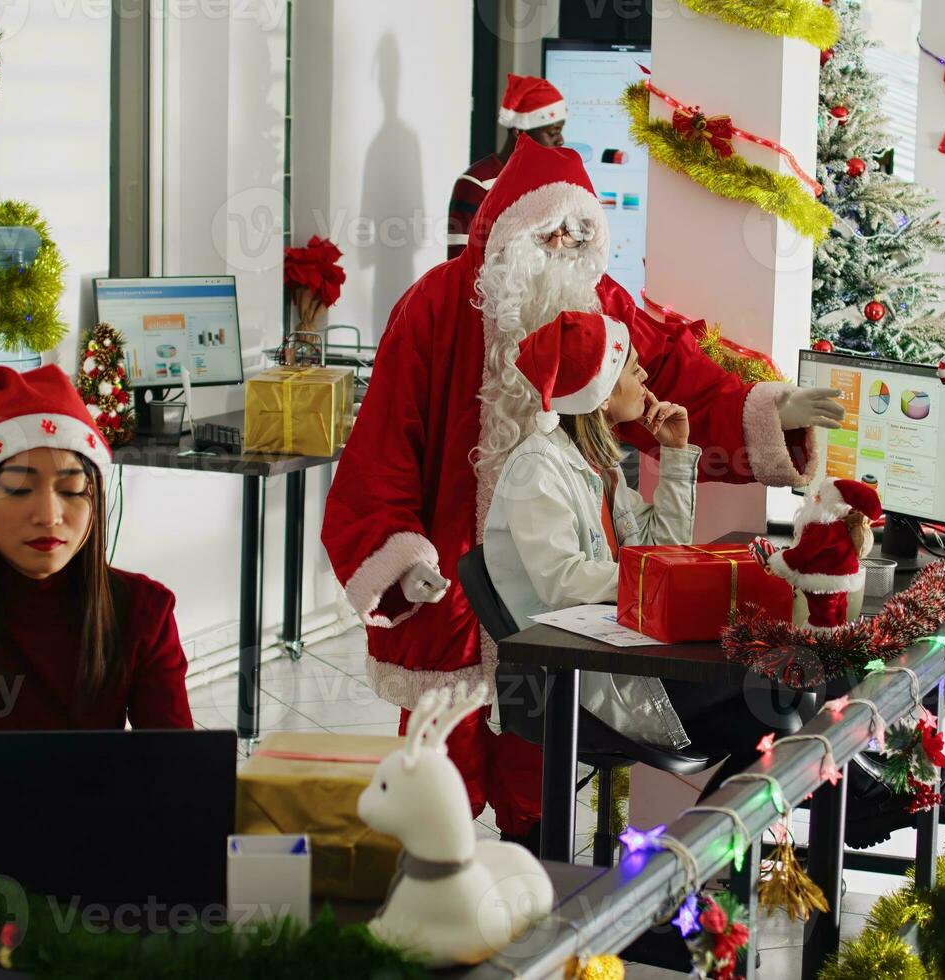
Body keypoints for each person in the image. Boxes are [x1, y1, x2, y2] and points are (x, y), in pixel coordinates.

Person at [322, 134, 844, 848]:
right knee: (440, 776)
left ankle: (541, 888)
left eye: (580, 231)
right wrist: (398, 554)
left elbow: (673, 375)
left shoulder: (599, 310)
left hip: (565, 602)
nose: (563, 244)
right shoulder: (435, 307)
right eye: (549, 229)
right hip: (450, 587)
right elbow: (383, 445)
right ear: (508, 228)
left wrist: (768, 413)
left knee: (543, 767)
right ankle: (434, 900)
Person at [0, 365, 192, 831]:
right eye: (20, 489)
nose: (49, 515)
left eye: (71, 490)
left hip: (92, 852)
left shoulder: (144, 608)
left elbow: (179, 776)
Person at [485, 310, 785, 761]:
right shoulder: (536, 469)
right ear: (602, 395)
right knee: (770, 696)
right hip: (576, 677)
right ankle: (740, 826)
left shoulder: (598, 467)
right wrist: (661, 579)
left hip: (625, 653)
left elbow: (662, 551)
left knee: (775, 695)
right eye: (630, 366)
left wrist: (676, 454)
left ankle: (735, 826)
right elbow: (563, 581)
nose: (644, 374)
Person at [446, 74, 568, 260]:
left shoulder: (552, 183)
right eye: (552, 132)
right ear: (519, 132)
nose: (560, 140)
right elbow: (459, 267)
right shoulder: (476, 184)